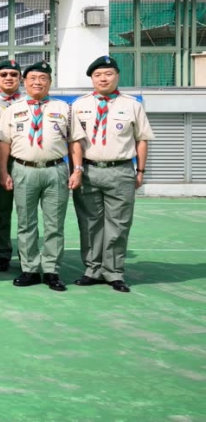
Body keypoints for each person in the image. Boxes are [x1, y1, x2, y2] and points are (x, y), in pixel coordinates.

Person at [69, 56, 153, 293]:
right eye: (98, 75)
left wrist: (140, 171)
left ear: (117, 76)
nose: (103, 79)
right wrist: (76, 170)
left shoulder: (132, 105)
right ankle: (92, 269)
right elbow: (74, 142)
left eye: (108, 74)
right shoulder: (79, 105)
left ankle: (114, 272)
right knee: (89, 223)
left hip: (121, 170)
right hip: (88, 170)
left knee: (119, 224)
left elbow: (142, 140)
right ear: (92, 79)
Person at [0, 61, 80, 292]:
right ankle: (30, 268)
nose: (37, 82)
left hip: (55, 170)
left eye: (43, 78)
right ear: (25, 82)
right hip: (23, 170)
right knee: (26, 223)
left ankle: (52, 270)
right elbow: (4, 144)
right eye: (32, 78)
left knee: (55, 223)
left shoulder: (64, 108)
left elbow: (74, 142)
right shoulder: (13, 110)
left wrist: (77, 170)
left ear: (50, 82)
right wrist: (3, 172)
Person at [0, 59, 23, 272]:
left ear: (20, 78)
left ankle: (27, 255)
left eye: (13, 74)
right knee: (1, 211)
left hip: (23, 161)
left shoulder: (30, 101)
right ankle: (3, 253)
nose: (9, 78)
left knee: (26, 212)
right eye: (4, 75)